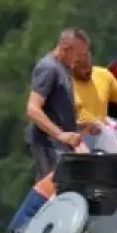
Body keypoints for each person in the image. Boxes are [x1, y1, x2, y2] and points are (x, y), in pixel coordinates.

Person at [26, 28, 89, 178]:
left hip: (63, 146)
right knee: (52, 192)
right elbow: (32, 109)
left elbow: (56, 111)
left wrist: (78, 130)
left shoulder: (64, 69)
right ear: (65, 49)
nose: (80, 59)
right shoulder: (49, 68)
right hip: (49, 145)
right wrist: (60, 135)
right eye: (78, 54)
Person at [71, 52, 117, 153]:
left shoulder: (103, 75)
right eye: (82, 68)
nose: (86, 72)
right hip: (76, 138)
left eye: (88, 67)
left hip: (104, 134)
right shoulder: (63, 81)